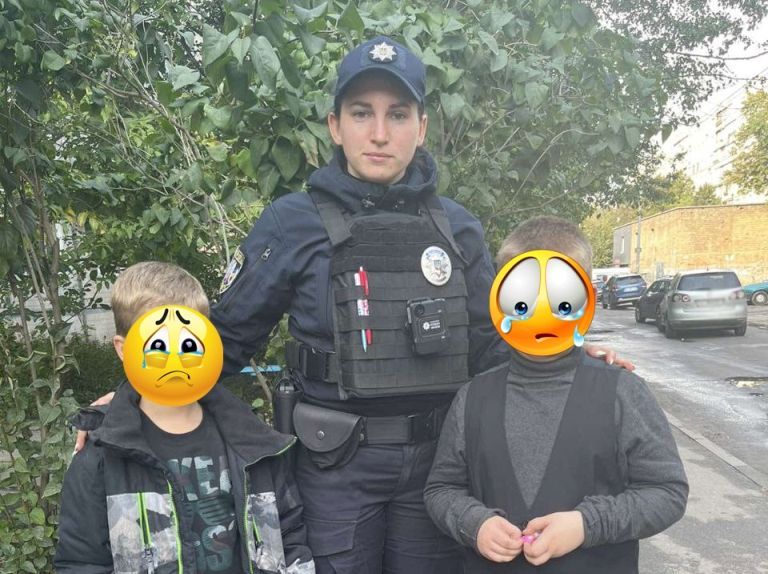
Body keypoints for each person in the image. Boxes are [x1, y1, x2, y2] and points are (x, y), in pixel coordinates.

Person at [207, 37, 630, 574]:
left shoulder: (458, 227)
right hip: (332, 467)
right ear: (335, 126)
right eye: (362, 113)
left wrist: (570, 361)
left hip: (439, 469)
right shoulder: (291, 222)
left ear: (422, 127)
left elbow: (494, 346)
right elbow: (225, 339)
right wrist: (137, 395)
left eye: (398, 114)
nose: (380, 133)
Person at [424, 216, 688, 573]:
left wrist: (586, 524)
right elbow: (441, 489)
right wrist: (474, 523)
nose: (542, 312)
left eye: (560, 300)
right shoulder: (473, 398)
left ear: (586, 298)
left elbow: (667, 491)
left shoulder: (622, 392)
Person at [55, 261, 314, 574]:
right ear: (124, 349)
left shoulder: (254, 444)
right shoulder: (101, 456)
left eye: (189, 345)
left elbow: (288, 537)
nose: (176, 361)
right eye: (159, 346)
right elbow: (82, 562)